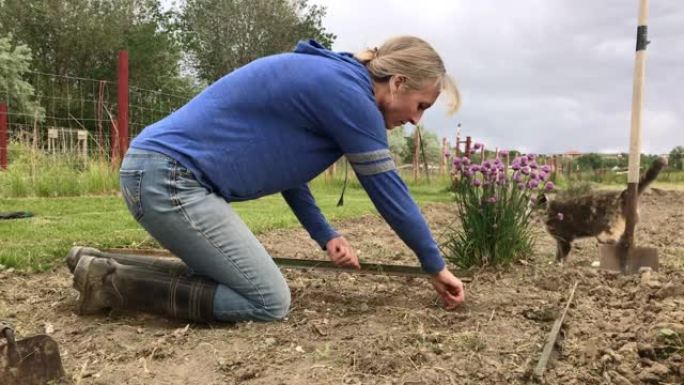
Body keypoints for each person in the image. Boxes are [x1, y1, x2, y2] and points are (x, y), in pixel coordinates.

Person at [68, 36, 466, 323]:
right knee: (267, 300)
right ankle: (112, 286)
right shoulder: (349, 95)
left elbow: (288, 174)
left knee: (226, 276)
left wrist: (326, 235)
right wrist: (434, 264)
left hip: (157, 172)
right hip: (170, 180)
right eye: (421, 106)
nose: (416, 120)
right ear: (397, 82)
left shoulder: (335, 81)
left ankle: (101, 267)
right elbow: (388, 190)